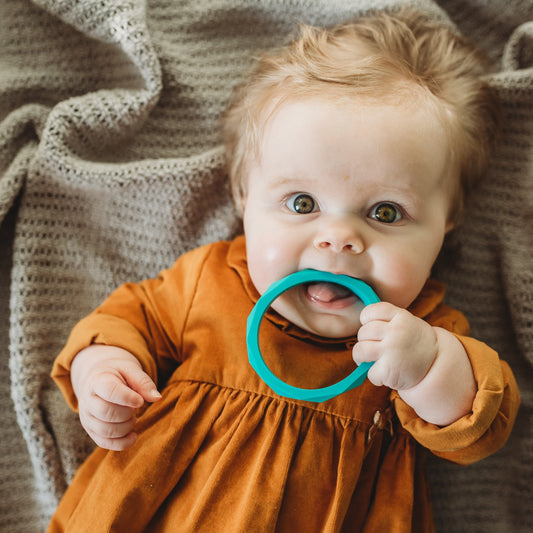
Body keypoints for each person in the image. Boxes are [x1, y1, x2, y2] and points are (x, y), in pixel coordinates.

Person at [48, 7, 519, 532]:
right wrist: (104, 371)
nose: (338, 238)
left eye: (385, 212)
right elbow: (125, 318)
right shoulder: (209, 281)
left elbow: (478, 426)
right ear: (244, 197)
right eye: (301, 203)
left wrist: (427, 368)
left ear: (446, 222)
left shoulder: (428, 331)